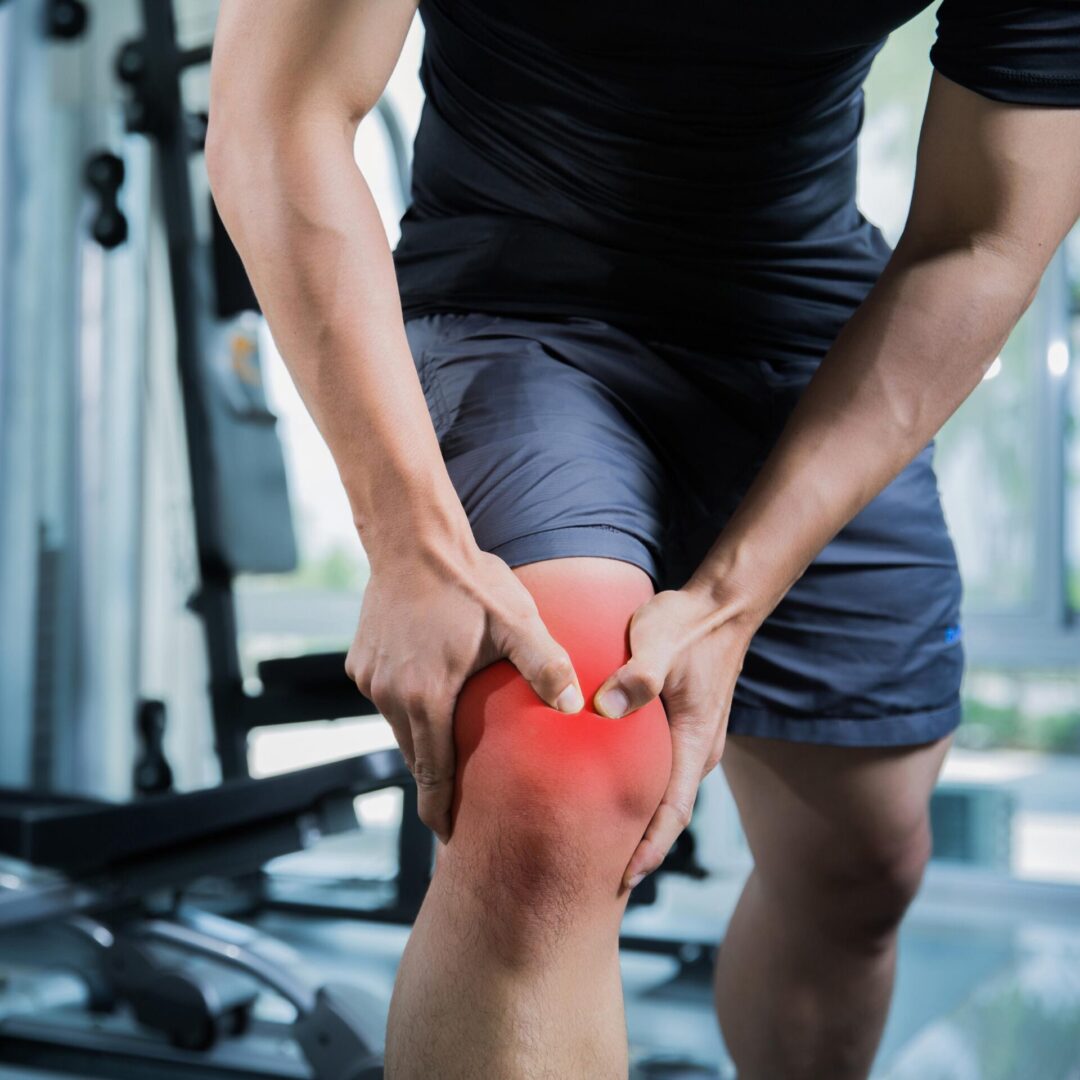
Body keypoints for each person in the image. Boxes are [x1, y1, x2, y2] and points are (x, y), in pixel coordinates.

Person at [205, 1, 1080, 1076]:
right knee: (552, 781)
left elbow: (982, 235)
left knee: (860, 876)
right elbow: (275, 115)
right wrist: (410, 536)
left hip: (807, 336)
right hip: (512, 306)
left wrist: (733, 597)